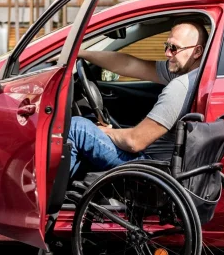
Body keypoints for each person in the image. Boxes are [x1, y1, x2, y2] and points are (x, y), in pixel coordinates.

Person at [68, 21, 209, 177]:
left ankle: (47, 197)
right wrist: (80, 53)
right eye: (166, 46)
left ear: (197, 52)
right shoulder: (188, 73)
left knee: (77, 128)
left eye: (174, 48)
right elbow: (128, 64)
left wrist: (105, 131)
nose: (168, 53)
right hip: (157, 160)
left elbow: (135, 142)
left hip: (150, 165)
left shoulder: (180, 87)